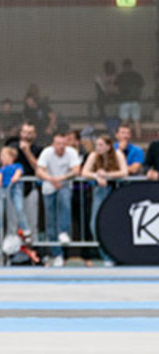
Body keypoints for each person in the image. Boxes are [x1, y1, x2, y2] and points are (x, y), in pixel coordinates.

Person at [36, 133, 82, 266]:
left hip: (64, 185)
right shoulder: (46, 152)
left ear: (66, 144)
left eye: (63, 144)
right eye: (58, 144)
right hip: (48, 188)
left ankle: (64, 231)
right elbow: (39, 171)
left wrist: (61, 178)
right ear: (53, 144)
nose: (60, 147)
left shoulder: (71, 153)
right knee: (50, 222)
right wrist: (51, 179)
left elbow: (76, 170)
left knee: (65, 201)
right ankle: (57, 255)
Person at [80, 134, 128, 264]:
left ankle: (117, 254)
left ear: (108, 146)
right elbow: (84, 172)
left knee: (115, 224)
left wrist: (107, 175)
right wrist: (96, 175)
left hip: (115, 192)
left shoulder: (117, 154)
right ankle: (106, 255)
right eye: (97, 145)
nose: (98, 147)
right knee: (94, 224)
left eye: (101, 145)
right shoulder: (93, 155)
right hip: (99, 192)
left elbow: (124, 172)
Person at [6, 123, 42, 238]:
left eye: (29, 133)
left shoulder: (38, 149)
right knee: (13, 221)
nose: (26, 135)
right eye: (24, 132)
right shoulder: (12, 146)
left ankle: (32, 249)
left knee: (31, 221)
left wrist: (27, 151)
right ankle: (14, 250)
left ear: (34, 135)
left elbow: (38, 167)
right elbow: (6, 164)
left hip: (30, 188)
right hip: (14, 188)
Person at [0, 146, 26, 242]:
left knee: (19, 208)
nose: (2, 158)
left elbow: (19, 172)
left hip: (15, 189)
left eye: (4, 156)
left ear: (11, 157)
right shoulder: (1, 169)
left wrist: (15, 177)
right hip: (3, 190)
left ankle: (25, 230)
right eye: (1, 156)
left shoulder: (17, 165)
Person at [115, 58, 145, 139]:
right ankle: (139, 137)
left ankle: (122, 137)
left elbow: (116, 88)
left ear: (123, 66)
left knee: (124, 121)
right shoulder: (136, 75)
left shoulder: (120, 76)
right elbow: (141, 87)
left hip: (125, 101)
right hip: (135, 101)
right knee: (136, 120)